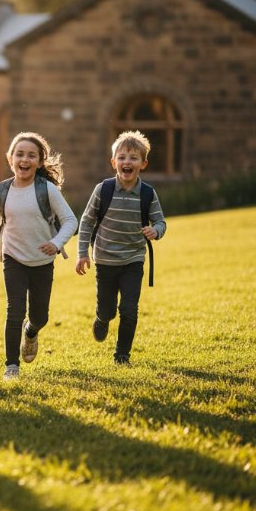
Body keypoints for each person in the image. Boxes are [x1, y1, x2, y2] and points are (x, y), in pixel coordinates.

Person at [0, 132, 77, 379]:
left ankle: (31, 331)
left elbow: (70, 220)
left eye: (31, 155)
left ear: (40, 161)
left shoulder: (48, 190)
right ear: (10, 159)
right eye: (19, 154)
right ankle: (11, 366)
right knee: (14, 310)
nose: (25, 159)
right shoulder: (2, 190)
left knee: (40, 316)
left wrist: (56, 243)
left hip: (43, 260)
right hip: (13, 257)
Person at [75, 130, 166, 365]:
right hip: (105, 259)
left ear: (143, 164)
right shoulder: (103, 189)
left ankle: (122, 355)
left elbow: (160, 221)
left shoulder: (147, 193)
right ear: (114, 162)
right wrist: (82, 252)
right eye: (122, 157)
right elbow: (87, 220)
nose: (127, 162)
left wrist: (155, 231)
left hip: (133, 260)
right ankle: (101, 318)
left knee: (129, 309)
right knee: (107, 310)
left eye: (134, 158)